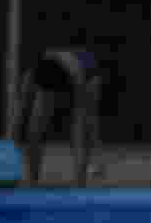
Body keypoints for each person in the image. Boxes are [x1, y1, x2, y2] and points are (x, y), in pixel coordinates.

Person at [12, 48, 102, 186]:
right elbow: (20, 115)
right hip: (56, 70)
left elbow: (81, 126)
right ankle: (33, 179)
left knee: (84, 124)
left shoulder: (77, 75)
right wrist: (7, 152)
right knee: (34, 129)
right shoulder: (32, 76)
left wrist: (93, 155)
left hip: (88, 73)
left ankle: (80, 180)